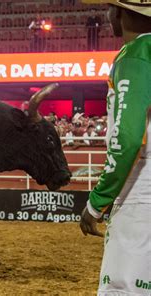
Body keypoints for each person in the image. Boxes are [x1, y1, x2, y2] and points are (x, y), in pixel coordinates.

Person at [79, 1, 150, 294]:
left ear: (120, 13)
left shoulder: (136, 55)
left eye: (110, 8)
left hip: (140, 198)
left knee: (125, 288)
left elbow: (127, 138)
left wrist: (96, 203)